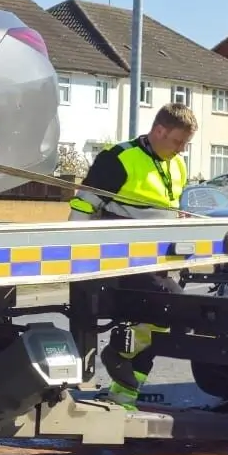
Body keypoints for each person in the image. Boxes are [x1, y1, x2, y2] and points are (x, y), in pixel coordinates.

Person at [70, 104, 197, 408]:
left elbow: (171, 211)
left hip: (161, 261)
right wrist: (76, 257)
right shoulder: (118, 159)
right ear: (159, 131)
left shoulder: (177, 164)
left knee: (160, 322)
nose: (180, 150)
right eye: (177, 142)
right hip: (124, 262)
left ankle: (125, 393)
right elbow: (84, 207)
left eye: (185, 144)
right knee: (179, 309)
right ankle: (118, 355)